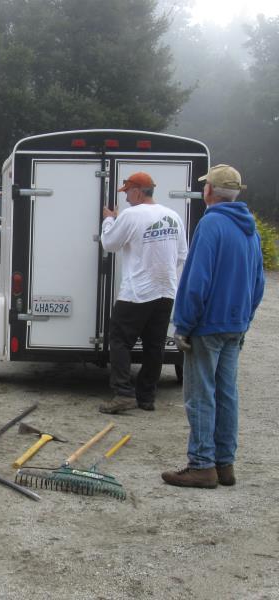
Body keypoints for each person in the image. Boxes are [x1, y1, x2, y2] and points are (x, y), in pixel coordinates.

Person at [162, 165, 264, 489]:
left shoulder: (211, 224)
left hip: (207, 326)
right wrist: (244, 320)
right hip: (235, 325)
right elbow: (258, 283)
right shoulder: (250, 229)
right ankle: (225, 464)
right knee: (227, 394)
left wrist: (184, 325)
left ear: (210, 192)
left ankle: (201, 465)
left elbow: (196, 281)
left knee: (200, 395)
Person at [99, 172, 188, 414]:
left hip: (136, 292)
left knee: (119, 340)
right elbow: (182, 255)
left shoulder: (131, 215)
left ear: (138, 190)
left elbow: (109, 244)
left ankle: (123, 394)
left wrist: (109, 220)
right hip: (166, 291)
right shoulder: (172, 216)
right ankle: (146, 398)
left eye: (127, 192)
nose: (126, 198)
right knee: (154, 346)